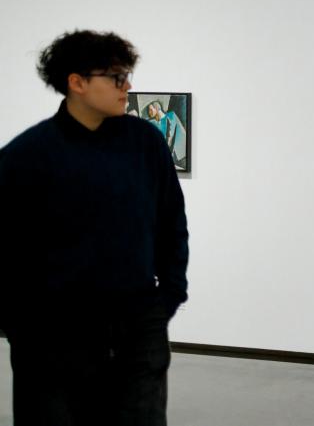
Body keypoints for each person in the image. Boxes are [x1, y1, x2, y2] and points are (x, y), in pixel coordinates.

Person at [0, 30, 189, 425]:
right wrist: (20, 324)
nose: (128, 86)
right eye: (117, 77)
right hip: (52, 341)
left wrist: (168, 296)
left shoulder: (146, 144)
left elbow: (172, 221)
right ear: (77, 82)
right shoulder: (25, 157)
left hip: (138, 332)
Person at [147, 100, 188, 168]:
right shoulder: (154, 122)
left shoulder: (171, 115)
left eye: (151, 110)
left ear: (157, 108)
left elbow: (169, 137)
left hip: (179, 155)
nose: (149, 112)